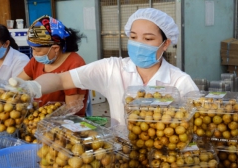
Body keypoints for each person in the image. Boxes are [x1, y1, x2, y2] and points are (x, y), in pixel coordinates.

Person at [10, 8, 199, 126]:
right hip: (120, 158)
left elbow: (196, 125)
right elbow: (61, 79)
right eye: (133, 37)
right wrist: (33, 86)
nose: (138, 43)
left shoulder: (180, 82)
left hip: (165, 161)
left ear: (165, 44)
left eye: (148, 39)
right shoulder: (112, 69)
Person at [17, 15, 88, 116]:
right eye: (32, 49)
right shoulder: (36, 61)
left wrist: (44, 120)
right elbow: (18, 82)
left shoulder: (75, 64)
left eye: (37, 50)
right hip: (38, 118)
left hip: (64, 123)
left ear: (55, 48)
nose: (34, 54)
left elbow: (71, 109)